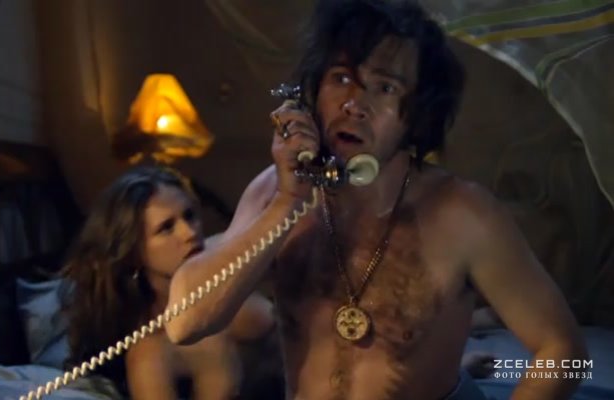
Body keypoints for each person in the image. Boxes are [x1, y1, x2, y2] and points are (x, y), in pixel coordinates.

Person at [164, 1, 587, 399]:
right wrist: (286, 204)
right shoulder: (275, 193)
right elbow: (184, 323)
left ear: (417, 114)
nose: (354, 105)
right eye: (341, 78)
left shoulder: (464, 213)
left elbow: (565, 354)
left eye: (384, 87)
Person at [62, 166, 275, 400]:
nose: (189, 233)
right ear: (133, 253)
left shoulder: (230, 260)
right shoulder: (150, 354)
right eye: (166, 228)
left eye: (189, 216)